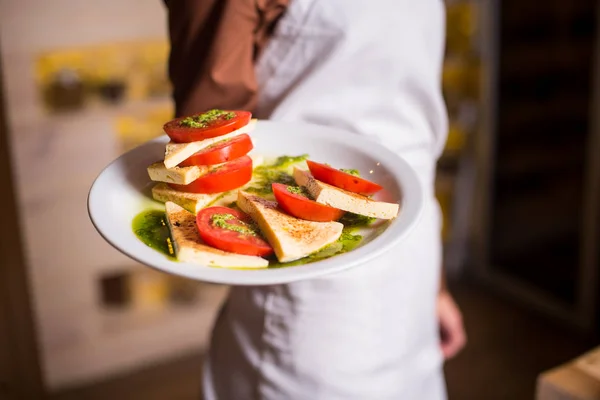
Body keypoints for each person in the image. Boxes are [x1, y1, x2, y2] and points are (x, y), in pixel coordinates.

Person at [163, 0, 466, 398]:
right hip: (312, 294)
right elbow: (210, 139)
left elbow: (410, 124)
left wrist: (435, 286)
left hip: (414, 263)